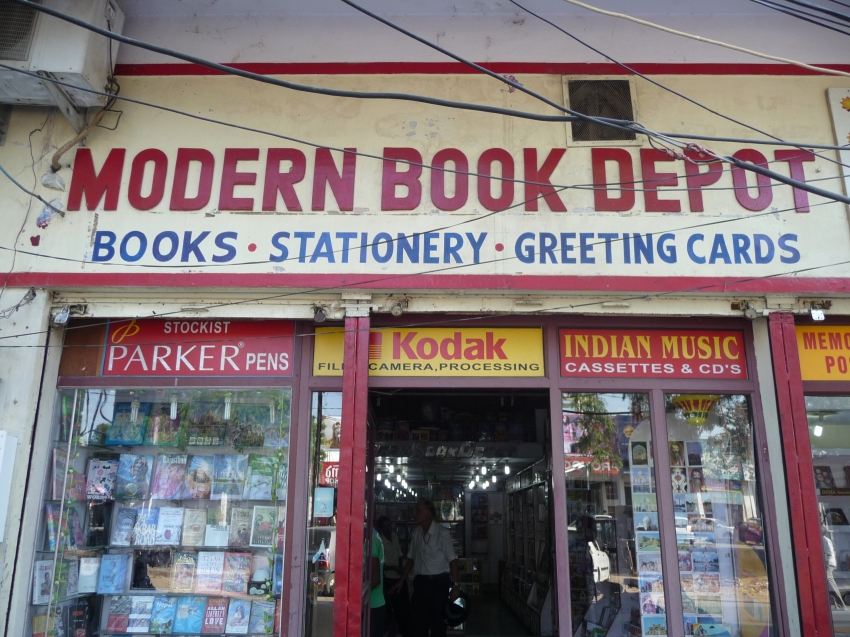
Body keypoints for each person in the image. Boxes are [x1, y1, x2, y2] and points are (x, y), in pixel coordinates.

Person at [391, 498, 459, 637]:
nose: (415, 513)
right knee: (418, 622)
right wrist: (401, 579)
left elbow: (453, 561)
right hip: (421, 583)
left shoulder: (442, 534)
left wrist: (456, 586)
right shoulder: (416, 533)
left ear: (428, 513)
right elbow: (411, 559)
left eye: (418, 510)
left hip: (439, 584)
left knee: (438, 623)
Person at [377, 516, 412, 637]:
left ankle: (406, 632)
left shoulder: (394, 537)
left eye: (389, 525)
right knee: (396, 609)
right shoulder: (379, 540)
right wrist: (394, 568)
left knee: (406, 607)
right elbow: (380, 565)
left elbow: (399, 555)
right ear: (381, 528)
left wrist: (401, 569)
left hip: (399, 577)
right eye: (385, 526)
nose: (388, 528)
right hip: (388, 579)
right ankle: (400, 632)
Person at [823, 524, 847, 610]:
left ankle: (841, 604)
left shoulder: (825, 540)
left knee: (831, 583)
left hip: (828, 564)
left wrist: (826, 564)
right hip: (827, 564)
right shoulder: (823, 539)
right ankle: (837, 604)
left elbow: (829, 553)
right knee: (829, 583)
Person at [371, 523, 388, 637]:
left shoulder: (370, 538)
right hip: (376, 603)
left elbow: (375, 579)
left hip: (372, 605)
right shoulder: (373, 534)